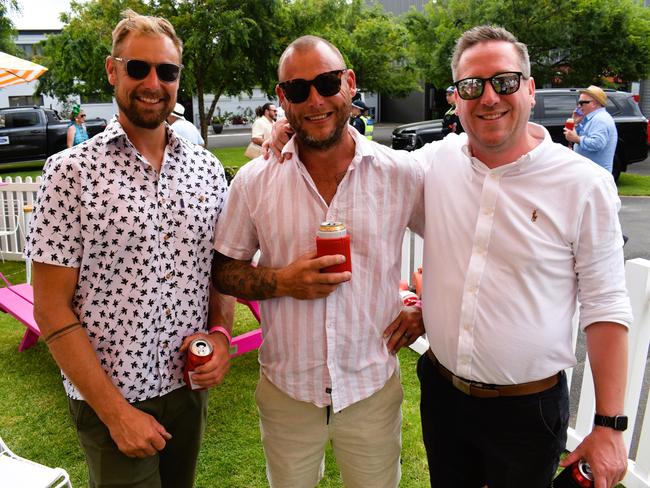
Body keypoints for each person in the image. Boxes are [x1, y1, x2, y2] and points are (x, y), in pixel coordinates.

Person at [413, 25, 631, 488]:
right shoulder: (437, 162)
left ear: (530, 89)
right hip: (442, 393)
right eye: (472, 85)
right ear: (456, 98)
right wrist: (291, 133)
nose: (489, 96)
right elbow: (363, 169)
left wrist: (610, 426)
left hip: (527, 412)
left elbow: (606, 305)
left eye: (505, 81)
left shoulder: (583, 184)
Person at [25, 9, 234, 488]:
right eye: (138, 68)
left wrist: (221, 335)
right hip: (111, 397)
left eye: (167, 71)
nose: (153, 82)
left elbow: (218, 271)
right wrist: (117, 414)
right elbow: (51, 308)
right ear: (112, 70)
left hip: (187, 389)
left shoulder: (205, 169)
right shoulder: (70, 173)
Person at [211, 35, 425, 488]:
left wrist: (426, 308)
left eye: (326, 83)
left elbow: (456, 245)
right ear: (281, 98)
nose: (315, 100)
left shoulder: (402, 173)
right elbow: (224, 271)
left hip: (370, 387)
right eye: (298, 89)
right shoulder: (254, 182)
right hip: (289, 390)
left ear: (349, 83)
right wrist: (282, 281)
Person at [564, 85, 618, 174]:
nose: (578, 106)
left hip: (596, 175)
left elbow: (597, 143)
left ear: (594, 103)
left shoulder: (600, 119)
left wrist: (577, 139)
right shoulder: (591, 118)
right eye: (578, 103)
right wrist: (576, 123)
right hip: (590, 174)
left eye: (582, 103)